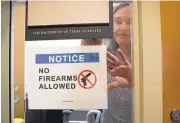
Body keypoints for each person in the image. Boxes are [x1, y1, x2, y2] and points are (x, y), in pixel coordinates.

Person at [81, 2, 133, 123]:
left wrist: (134, 81)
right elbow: (87, 89)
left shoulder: (148, 59)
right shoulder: (105, 54)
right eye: (118, 21)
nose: (124, 27)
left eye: (130, 22)